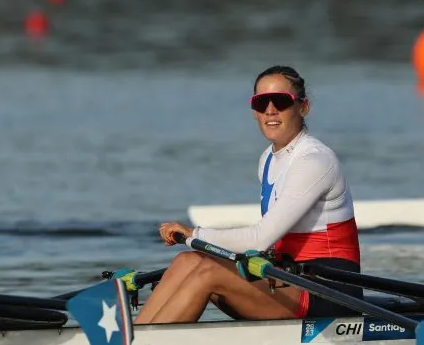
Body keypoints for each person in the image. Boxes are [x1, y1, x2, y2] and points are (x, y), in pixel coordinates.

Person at [135, 65, 360, 324]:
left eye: (281, 101)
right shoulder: (267, 159)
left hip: (329, 293)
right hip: (288, 281)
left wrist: (194, 234)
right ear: (254, 111)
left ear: (303, 107)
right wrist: (194, 243)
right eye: (262, 102)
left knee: (208, 270)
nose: (270, 110)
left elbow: (260, 238)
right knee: (188, 261)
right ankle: (135, 342)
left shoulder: (315, 160)